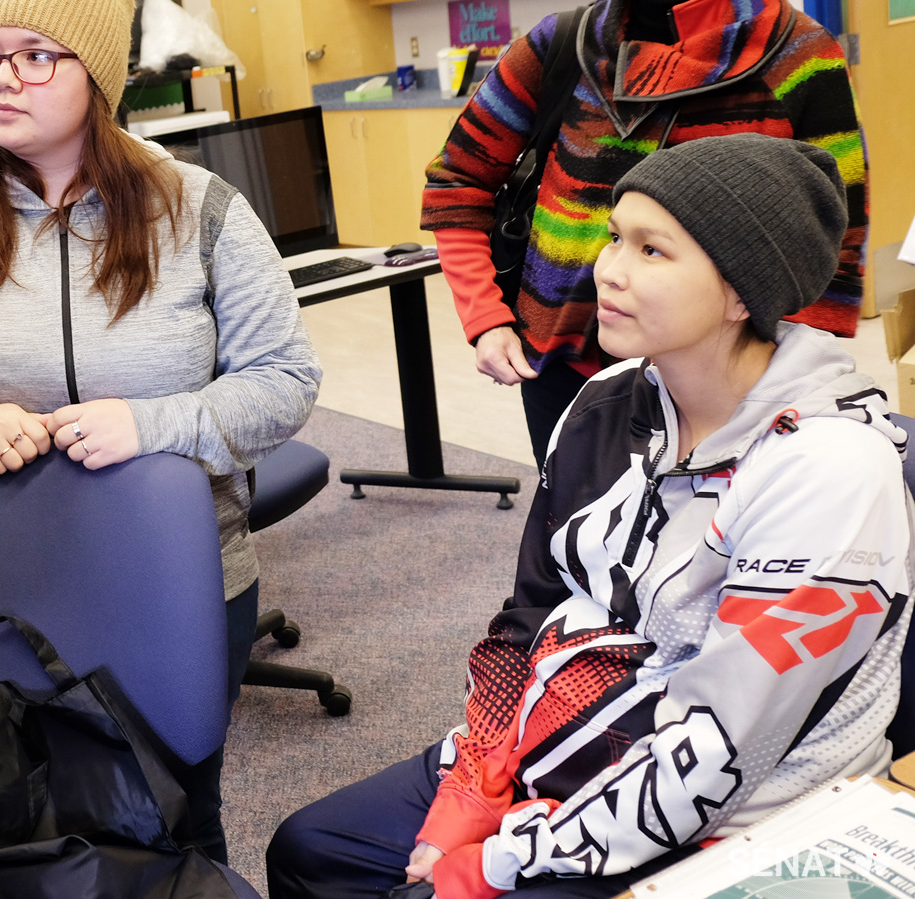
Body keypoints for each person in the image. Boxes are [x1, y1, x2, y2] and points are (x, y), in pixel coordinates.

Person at [269, 134, 912, 899]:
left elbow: (717, 754)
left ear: (743, 291)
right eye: (614, 236)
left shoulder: (829, 470)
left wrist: (504, 856)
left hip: (738, 810)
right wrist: (473, 782)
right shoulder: (609, 400)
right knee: (310, 849)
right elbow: (532, 608)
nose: (607, 267)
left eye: (652, 250)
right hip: (576, 737)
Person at [0, 0, 322, 861]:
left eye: (34, 55)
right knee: (9, 821)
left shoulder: (203, 211)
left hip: (177, 573)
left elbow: (284, 380)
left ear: (98, 76)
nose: (0, 79)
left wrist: (152, 424)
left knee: (176, 812)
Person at [421, 0, 866, 469]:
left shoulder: (799, 56)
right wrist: (484, 316)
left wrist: (804, 374)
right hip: (565, 368)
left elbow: (840, 231)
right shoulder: (561, 43)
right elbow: (458, 177)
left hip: (732, 382)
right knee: (580, 544)